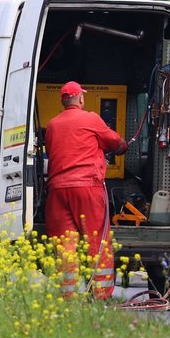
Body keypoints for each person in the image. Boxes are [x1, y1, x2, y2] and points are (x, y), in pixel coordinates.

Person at [45, 81, 127, 299]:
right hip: (87, 188)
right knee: (96, 243)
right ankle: (100, 296)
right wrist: (122, 146)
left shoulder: (52, 125)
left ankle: (68, 297)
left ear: (62, 101)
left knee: (65, 246)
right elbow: (113, 141)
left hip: (57, 190)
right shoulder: (91, 118)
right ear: (80, 99)